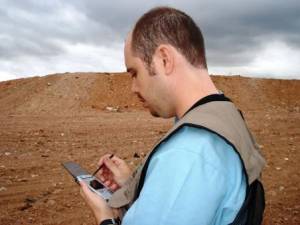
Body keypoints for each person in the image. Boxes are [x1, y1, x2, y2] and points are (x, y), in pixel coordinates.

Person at [79, 6, 265, 225]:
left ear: (164, 59)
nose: (133, 88)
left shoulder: (189, 152)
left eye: (134, 73)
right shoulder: (224, 115)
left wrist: (105, 217)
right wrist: (133, 184)